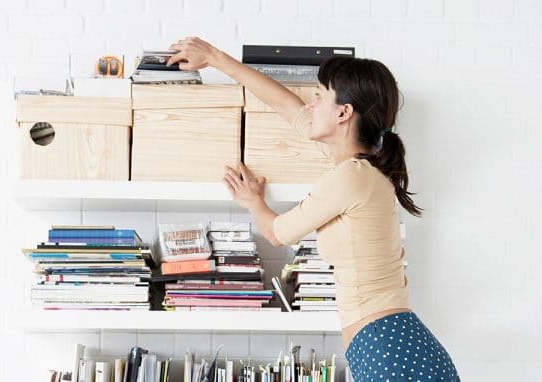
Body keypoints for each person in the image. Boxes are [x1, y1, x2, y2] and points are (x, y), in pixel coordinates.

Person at [167, 37, 460, 381]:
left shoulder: (351, 177)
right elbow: (288, 106)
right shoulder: (359, 172)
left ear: (343, 113)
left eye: (319, 96)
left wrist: (252, 201)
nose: (311, 105)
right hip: (386, 346)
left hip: (389, 351)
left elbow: (277, 233)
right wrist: (216, 59)